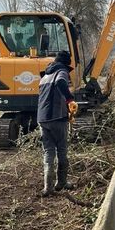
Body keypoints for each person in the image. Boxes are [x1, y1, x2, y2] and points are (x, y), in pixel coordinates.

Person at [37, 51, 76, 196]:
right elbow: (60, 82)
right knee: (61, 149)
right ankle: (62, 182)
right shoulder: (61, 71)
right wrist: (69, 99)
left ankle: (48, 188)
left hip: (42, 118)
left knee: (48, 152)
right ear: (65, 64)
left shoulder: (45, 76)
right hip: (57, 118)